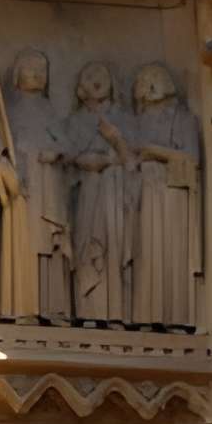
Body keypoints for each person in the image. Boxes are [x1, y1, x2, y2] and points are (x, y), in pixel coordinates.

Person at [0, 49, 70, 322]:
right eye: (30, 68)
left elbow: (65, 144)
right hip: (23, 188)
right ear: (17, 74)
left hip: (49, 184)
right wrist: (8, 171)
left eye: (41, 69)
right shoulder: (9, 112)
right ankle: (24, 308)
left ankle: (52, 308)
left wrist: (56, 153)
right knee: (24, 245)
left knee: (49, 244)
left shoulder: (49, 111)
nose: (36, 73)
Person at [127, 64, 201, 329]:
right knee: (146, 250)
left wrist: (156, 152)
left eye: (157, 77)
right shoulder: (135, 123)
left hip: (173, 192)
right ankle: (144, 317)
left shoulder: (183, 119)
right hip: (143, 192)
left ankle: (175, 317)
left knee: (171, 250)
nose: (151, 84)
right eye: (145, 79)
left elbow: (192, 158)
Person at [64, 61, 130, 323]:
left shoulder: (123, 120)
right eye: (89, 75)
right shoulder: (73, 122)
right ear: (80, 87)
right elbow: (66, 158)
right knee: (84, 244)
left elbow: (133, 162)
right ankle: (87, 311)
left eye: (102, 74)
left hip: (113, 193)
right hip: (85, 191)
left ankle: (113, 313)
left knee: (112, 246)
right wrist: (82, 161)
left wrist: (115, 142)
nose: (96, 80)